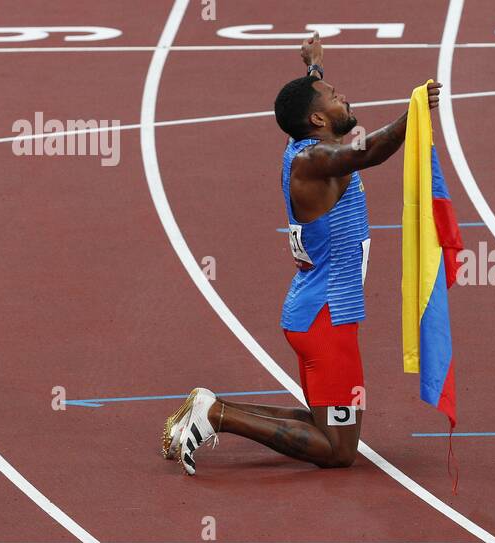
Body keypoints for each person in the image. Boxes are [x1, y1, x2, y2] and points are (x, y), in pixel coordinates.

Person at [161, 33, 443, 475]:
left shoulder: (306, 146)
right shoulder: (315, 161)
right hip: (327, 319)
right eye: (333, 96)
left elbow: (320, 113)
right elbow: (369, 150)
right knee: (338, 450)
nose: (342, 97)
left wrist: (314, 69)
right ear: (317, 119)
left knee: (325, 428)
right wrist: (413, 115)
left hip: (318, 312)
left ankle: (212, 408)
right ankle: (217, 416)